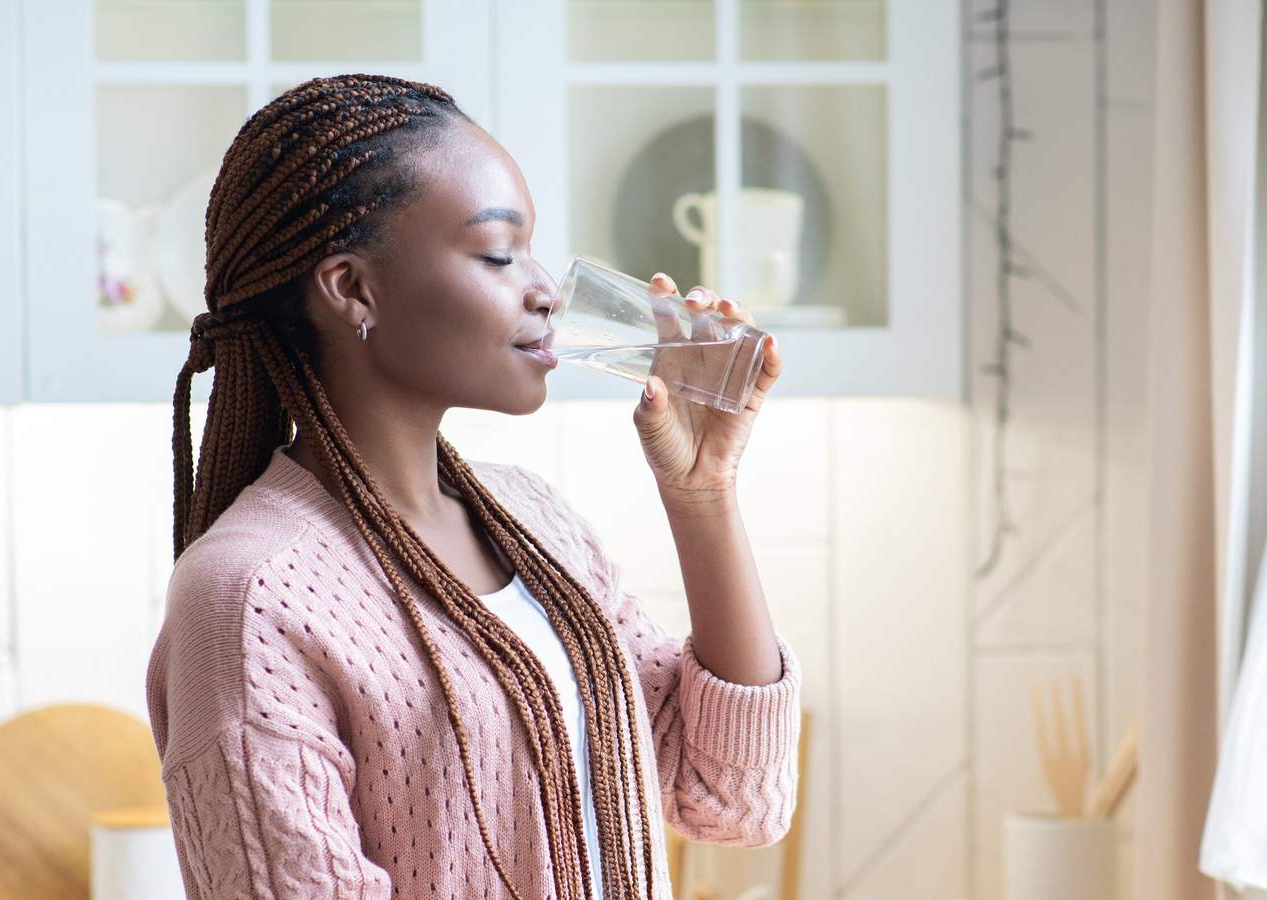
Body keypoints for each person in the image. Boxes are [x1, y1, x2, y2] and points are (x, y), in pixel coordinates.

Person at [145, 74, 802, 900]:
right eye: (499, 253)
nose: (544, 290)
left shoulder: (533, 519)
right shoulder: (247, 596)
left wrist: (704, 493)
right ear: (352, 289)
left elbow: (733, 799)